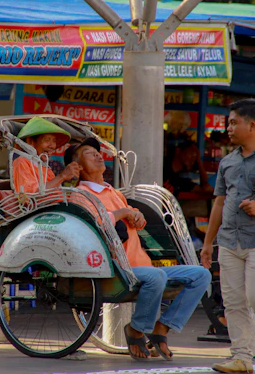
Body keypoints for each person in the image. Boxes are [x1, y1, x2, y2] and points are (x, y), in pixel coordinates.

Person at [64, 137, 211, 361]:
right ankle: (137, 329)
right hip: (114, 267)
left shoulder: (113, 192)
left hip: (142, 266)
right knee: (156, 276)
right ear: (79, 167)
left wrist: (137, 216)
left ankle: (162, 328)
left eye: (97, 152)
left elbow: (133, 216)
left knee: (201, 275)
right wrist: (123, 213)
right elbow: (93, 224)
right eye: (88, 153)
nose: (97, 154)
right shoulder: (81, 194)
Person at [201, 98, 255, 374]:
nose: (229, 128)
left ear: (252, 125)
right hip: (229, 242)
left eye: (234, 122)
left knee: (253, 297)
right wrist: (208, 243)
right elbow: (219, 203)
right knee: (233, 302)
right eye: (229, 122)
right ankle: (242, 357)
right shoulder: (227, 162)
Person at [12, 117, 81, 193]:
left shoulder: (45, 168)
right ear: (30, 141)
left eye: (54, 141)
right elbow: (31, 196)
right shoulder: (22, 162)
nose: (52, 146)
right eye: (47, 140)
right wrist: (62, 176)